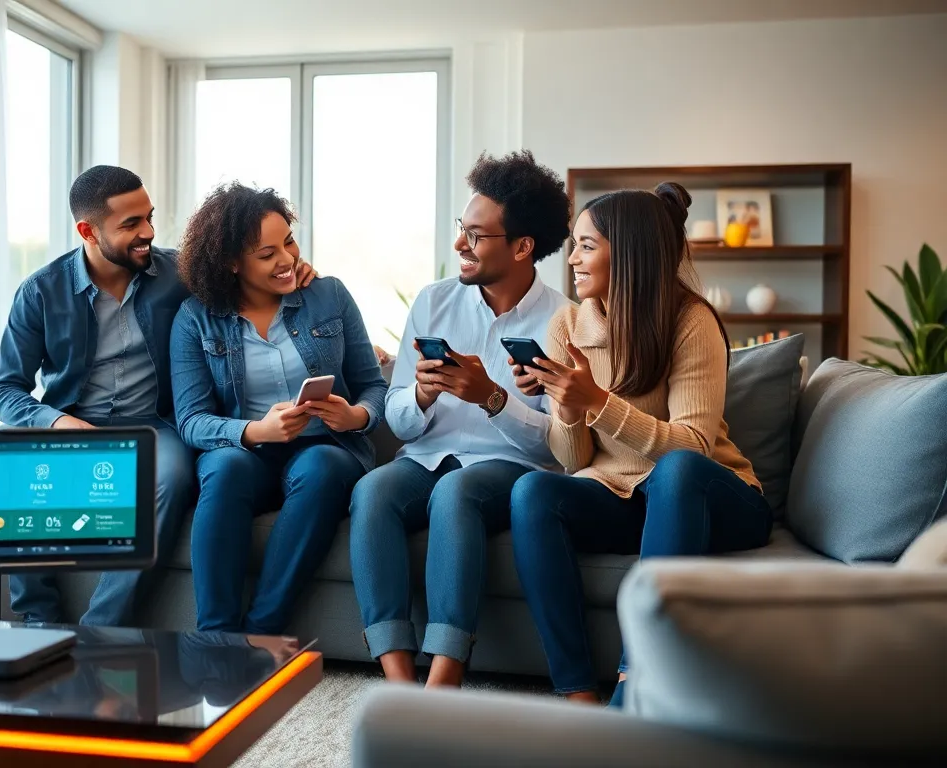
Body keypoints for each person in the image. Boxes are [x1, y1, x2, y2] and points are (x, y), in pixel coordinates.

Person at [0, 165, 315, 626]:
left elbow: (250, 276)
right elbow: (4, 390)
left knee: (170, 477)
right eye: (131, 225)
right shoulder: (41, 292)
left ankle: (101, 628)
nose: (148, 232)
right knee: (9, 459)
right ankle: (39, 621)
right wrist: (57, 422)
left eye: (149, 217)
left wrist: (296, 271)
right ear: (87, 230)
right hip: (75, 422)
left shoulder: (179, 273)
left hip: (154, 425)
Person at [509, 182, 771, 706]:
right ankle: (577, 693)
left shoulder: (690, 320)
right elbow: (576, 459)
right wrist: (566, 404)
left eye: (587, 246)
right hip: (627, 499)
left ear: (626, 253)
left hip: (713, 497)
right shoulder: (568, 323)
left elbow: (693, 448)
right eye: (575, 245)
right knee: (533, 493)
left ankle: (636, 682)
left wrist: (599, 401)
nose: (572, 260)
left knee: (674, 473)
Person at [349, 150, 573, 687]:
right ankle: (400, 682)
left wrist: (493, 398)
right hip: (426, 456)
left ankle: (443, 682)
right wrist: (422, 395)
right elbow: (399, 421)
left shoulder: (563, 320)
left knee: (457, 493)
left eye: (476, 235)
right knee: (373, 490)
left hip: (510, 465)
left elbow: (558, 446)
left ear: (522, 247)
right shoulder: (433, 302)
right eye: (461, 229)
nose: (459, 246)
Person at [170, 182, 387, 635]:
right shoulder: (195, 318)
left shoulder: (328, 296)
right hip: (248, 453)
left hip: (326, 446)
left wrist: (357, 416)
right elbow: (191, 421)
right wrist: (255, 431)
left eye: (288, 241)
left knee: (323, 464)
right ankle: (217, 638)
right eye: (266, 254)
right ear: (231, 262)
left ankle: (262, 631)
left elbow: (372, 387)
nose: (286, 259)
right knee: (223, 469)